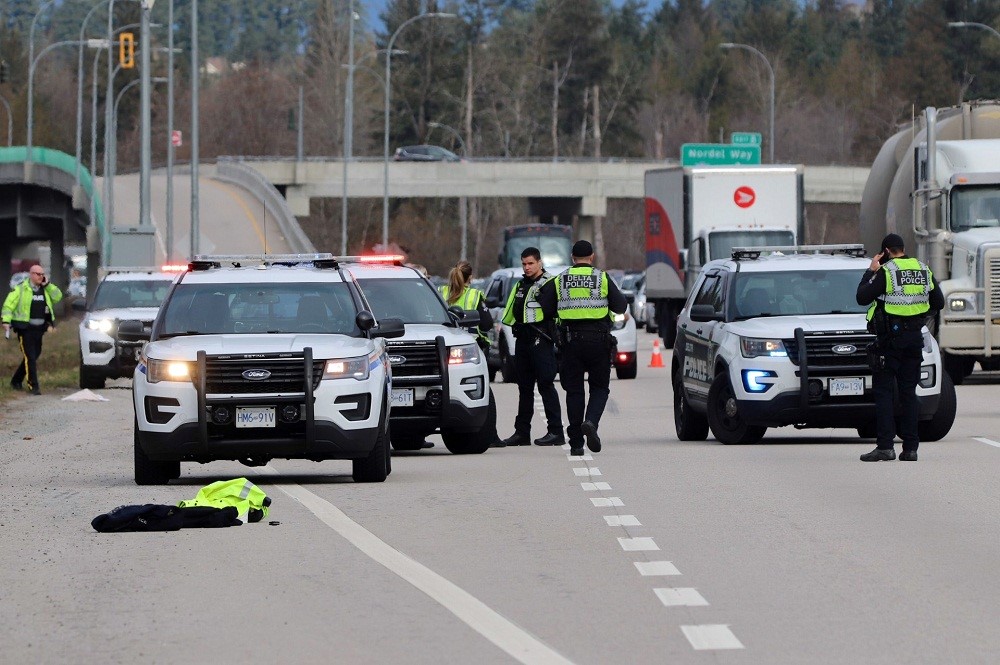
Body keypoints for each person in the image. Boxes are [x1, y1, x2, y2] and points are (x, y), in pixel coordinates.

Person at [856, 233, 943, 462]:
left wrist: (870, 271)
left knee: (884, 392)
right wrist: (917, 313)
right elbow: (939, 302)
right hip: (914, 338)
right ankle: (911, 449)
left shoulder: (887, 271)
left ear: (885, 252)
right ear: (902, 249)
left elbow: (862, 297)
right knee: (908, 393)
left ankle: (885, 447)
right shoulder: (923, 269)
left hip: (890, 341)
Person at [538, 240, 627, 456]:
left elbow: (545, 307)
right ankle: (591, 422)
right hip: (598, 341)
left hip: (571, 342)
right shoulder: (601, 278)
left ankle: (576, 443)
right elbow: (621, 306)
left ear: (572, 258)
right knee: (599, 388)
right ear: (592, 256)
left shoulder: (560, 279)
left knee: (574, 391)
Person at [499, 247, 564, 447]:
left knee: (545, 384)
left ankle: (556, 431)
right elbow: (509, 314)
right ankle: (522, 433)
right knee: (524, 387)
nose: (527, 267)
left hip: (541, 340)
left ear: (539, 263)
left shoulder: (551, 283)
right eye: (524, 264)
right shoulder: (520, 285)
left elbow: (558, 313)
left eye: (530, 263)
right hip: (523, 340)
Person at [3, 264, 64, 395]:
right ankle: (33, 386)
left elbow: (58, 296)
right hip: (25, 328)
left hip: (39, 329)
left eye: (42, 274)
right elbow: (8, 305)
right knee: (30, 356)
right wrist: (6, 321)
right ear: (31, 274)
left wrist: (48, 285)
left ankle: (16, 381)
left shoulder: (45, 289)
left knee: (34, 355)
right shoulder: (21, 289)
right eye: (38, 274)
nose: (41, 277)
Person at [438, 260, 493, 354]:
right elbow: (487, 324)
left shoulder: (440, 291)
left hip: (442, 345)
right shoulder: (475, 295)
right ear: (470, 277)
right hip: (469, 347)